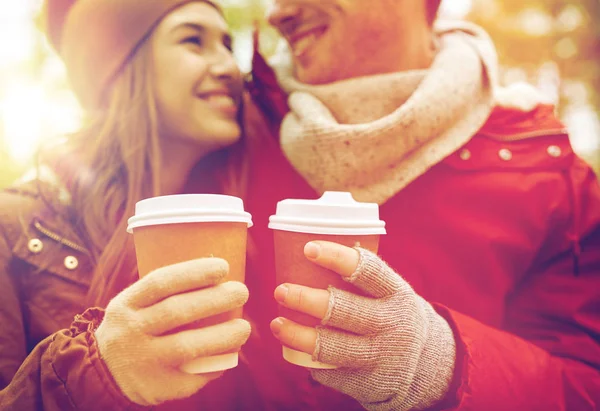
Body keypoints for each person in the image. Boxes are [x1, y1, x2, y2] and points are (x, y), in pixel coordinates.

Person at [240, 0, 600, 409]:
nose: (277, 13)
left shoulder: (551, 176)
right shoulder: (233, 134)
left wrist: (445, 365)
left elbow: (586, 388)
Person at [0, 1, 259, 409]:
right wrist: (98, 374)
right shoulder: (13, 228)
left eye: (228, 44)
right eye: (193, 41)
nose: (229, 66)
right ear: (120, 69)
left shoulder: (239, 223)